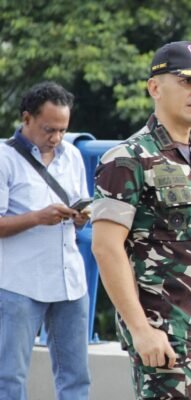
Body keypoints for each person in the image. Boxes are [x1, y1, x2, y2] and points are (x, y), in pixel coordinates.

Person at [91, 41, 191, 400]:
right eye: (187, 82)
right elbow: (106, 248)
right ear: (155, 88)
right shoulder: (127, 158)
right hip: (164, 334)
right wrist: (140, 330)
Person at [0, 81, 90, 400]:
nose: (56, 138)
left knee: (76, 378)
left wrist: (81, 216)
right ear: (27, 119)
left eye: (63, 130)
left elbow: (80, 203)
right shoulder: (4, 158)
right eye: (49, 129)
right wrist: (38, 217)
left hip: (70, 280)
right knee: (9, 378)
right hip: (19, 283)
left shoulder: (73, 156)